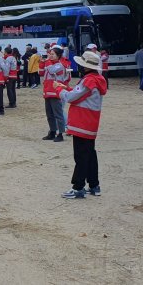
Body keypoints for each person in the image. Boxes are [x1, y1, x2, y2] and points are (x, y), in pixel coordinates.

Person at [56, 51, 107, 198]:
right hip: (90, 121)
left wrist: (59, 89)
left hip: (82, 122)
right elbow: (81, 94)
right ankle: (94, 184)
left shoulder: (88, 80)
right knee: (90, 154)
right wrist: (66, 88)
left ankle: (78, 187)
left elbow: (72, 98)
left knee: (81, 156)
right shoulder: (97, 79)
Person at [42, 45, 69, 142]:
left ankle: (60, 133)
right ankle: (52, 131)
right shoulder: (49, 64)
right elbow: (41, 73)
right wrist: (42, 63)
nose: (50, 55)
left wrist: (47, 61)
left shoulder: (59, 65)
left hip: (55, 92)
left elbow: (51, 70)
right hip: (47, 92)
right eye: (50, 54)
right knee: (49, 114)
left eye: (53, 54)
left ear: (58, 56)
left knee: (58, 114)